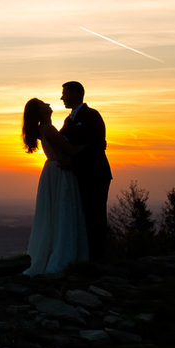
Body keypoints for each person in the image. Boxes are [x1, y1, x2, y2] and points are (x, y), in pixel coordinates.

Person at [22, 97, 88, 275]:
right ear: (40, 112)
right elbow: (71, 150)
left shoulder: (45, 129)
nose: (49, 104)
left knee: (55, 214)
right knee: (62, 212)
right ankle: (62, 258)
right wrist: (93, 145)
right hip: (59, 172)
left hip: (53, 172)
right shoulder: (48, 129)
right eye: (44, 104)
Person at [58, 80, 113, 262]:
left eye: (64, 93)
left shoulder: (92, 115)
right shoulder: (68, 119)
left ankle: (98, 258)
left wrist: (74, 161)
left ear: (75, 93)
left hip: (95, 173)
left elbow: (97, 144)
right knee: (83, 216)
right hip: (79, 176)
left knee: (95, 215)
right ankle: (86, 256)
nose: (62, 97)